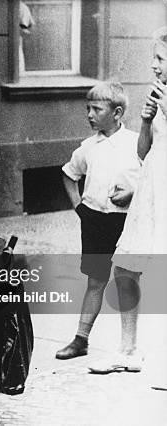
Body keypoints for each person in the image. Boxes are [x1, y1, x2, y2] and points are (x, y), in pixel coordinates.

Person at [92, 27, 167, 378]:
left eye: (161, 59)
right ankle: (128, 350)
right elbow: (144, 153)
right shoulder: (158, 95)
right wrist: (147, 119)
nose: (154, 66)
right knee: (125, 267)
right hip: (151, 192)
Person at [56, 82, 141, 362]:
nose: (89, 114)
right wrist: (79, 206)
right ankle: (81, 339)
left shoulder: (136, 144)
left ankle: (127, 346)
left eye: (96, 109)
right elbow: (69, 174)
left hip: (126, 221)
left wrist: (133, 192)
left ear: (117, 113)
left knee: (126, 280)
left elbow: (151, 178)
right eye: (87, 109)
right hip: (94, 221)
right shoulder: (87, 148)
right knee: (96, 280)